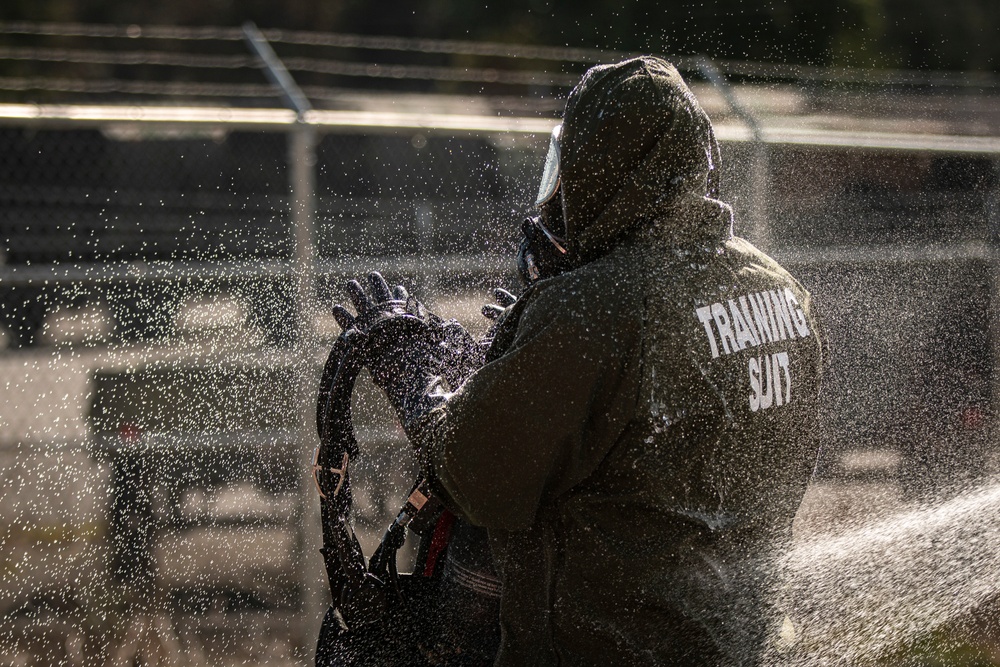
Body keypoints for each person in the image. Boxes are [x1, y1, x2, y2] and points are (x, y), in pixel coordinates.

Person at [336, 56, 824, 666]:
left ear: (602, 168)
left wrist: (413, 365)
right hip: (742, 645)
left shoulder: (598, 306)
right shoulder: (777, 288)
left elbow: (473, 474)